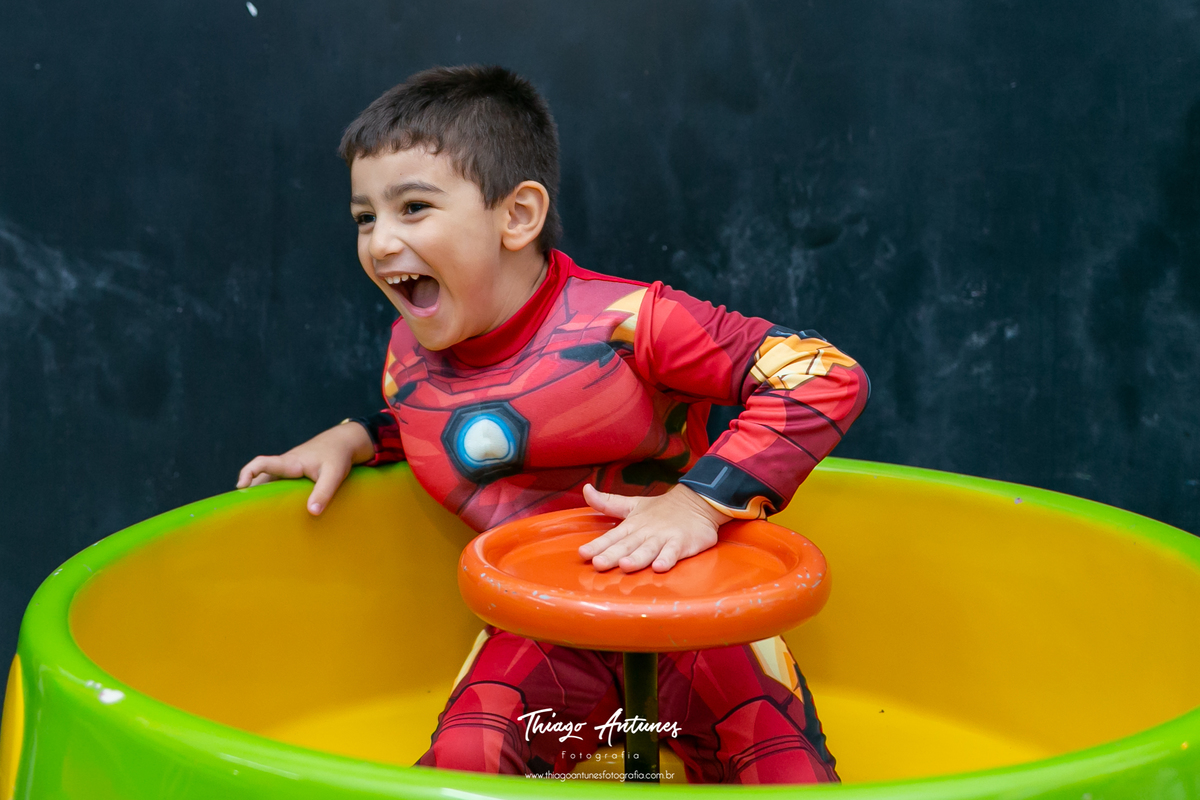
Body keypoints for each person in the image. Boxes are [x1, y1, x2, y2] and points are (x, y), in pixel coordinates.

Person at [237, 64, 869, 784]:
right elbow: (451, 418)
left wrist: (697, 504)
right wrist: (359, 436)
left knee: (785, 772)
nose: (380, 243)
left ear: (518, 216)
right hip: (545, 634)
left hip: (694, 621)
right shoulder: (410, 352)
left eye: (413, 208)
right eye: (364, 217)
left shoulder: (631, 323)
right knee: (464, 769)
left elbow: (822, 374)